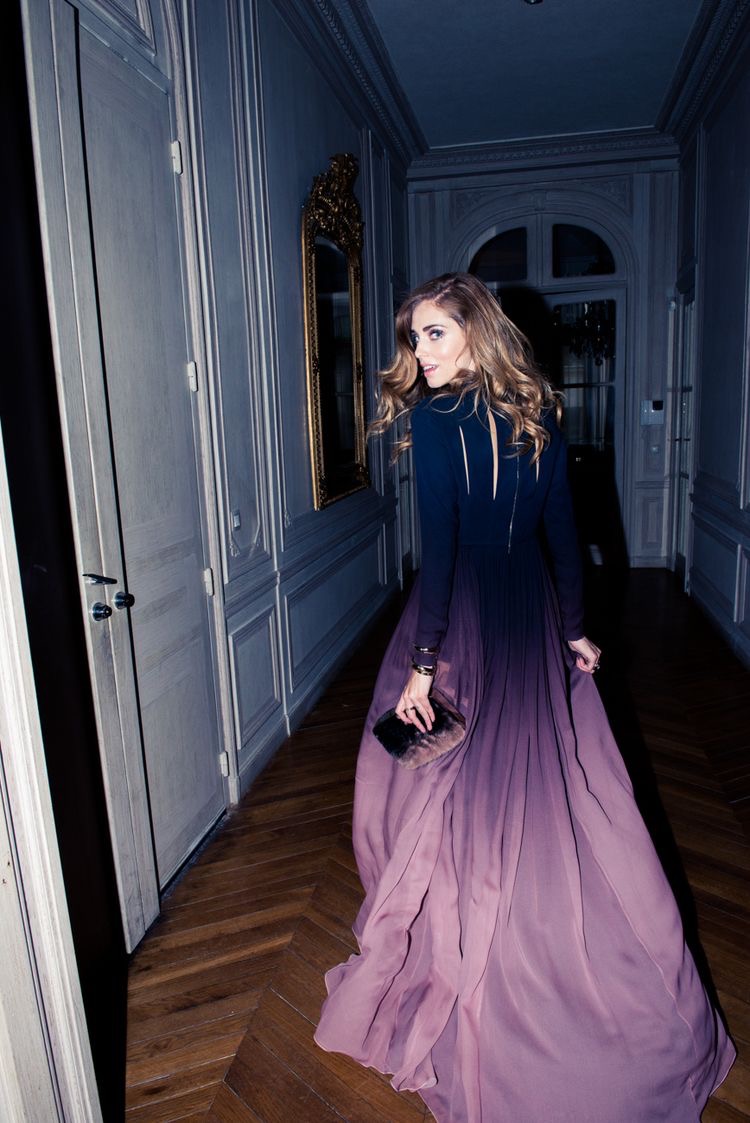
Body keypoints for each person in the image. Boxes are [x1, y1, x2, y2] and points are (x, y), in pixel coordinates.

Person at [314, 273, 734, 1122]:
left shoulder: (438, 422)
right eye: (413, 338)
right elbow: (562, 539)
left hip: (465, 612)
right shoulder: (535, 415)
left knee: (440, 785)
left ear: (475, 331)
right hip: (529, 611)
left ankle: (479, 953)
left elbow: (439, 549)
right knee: (542, 784)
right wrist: (572, 627)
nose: (420, 353)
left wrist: (423, 663)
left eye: (435, 333)